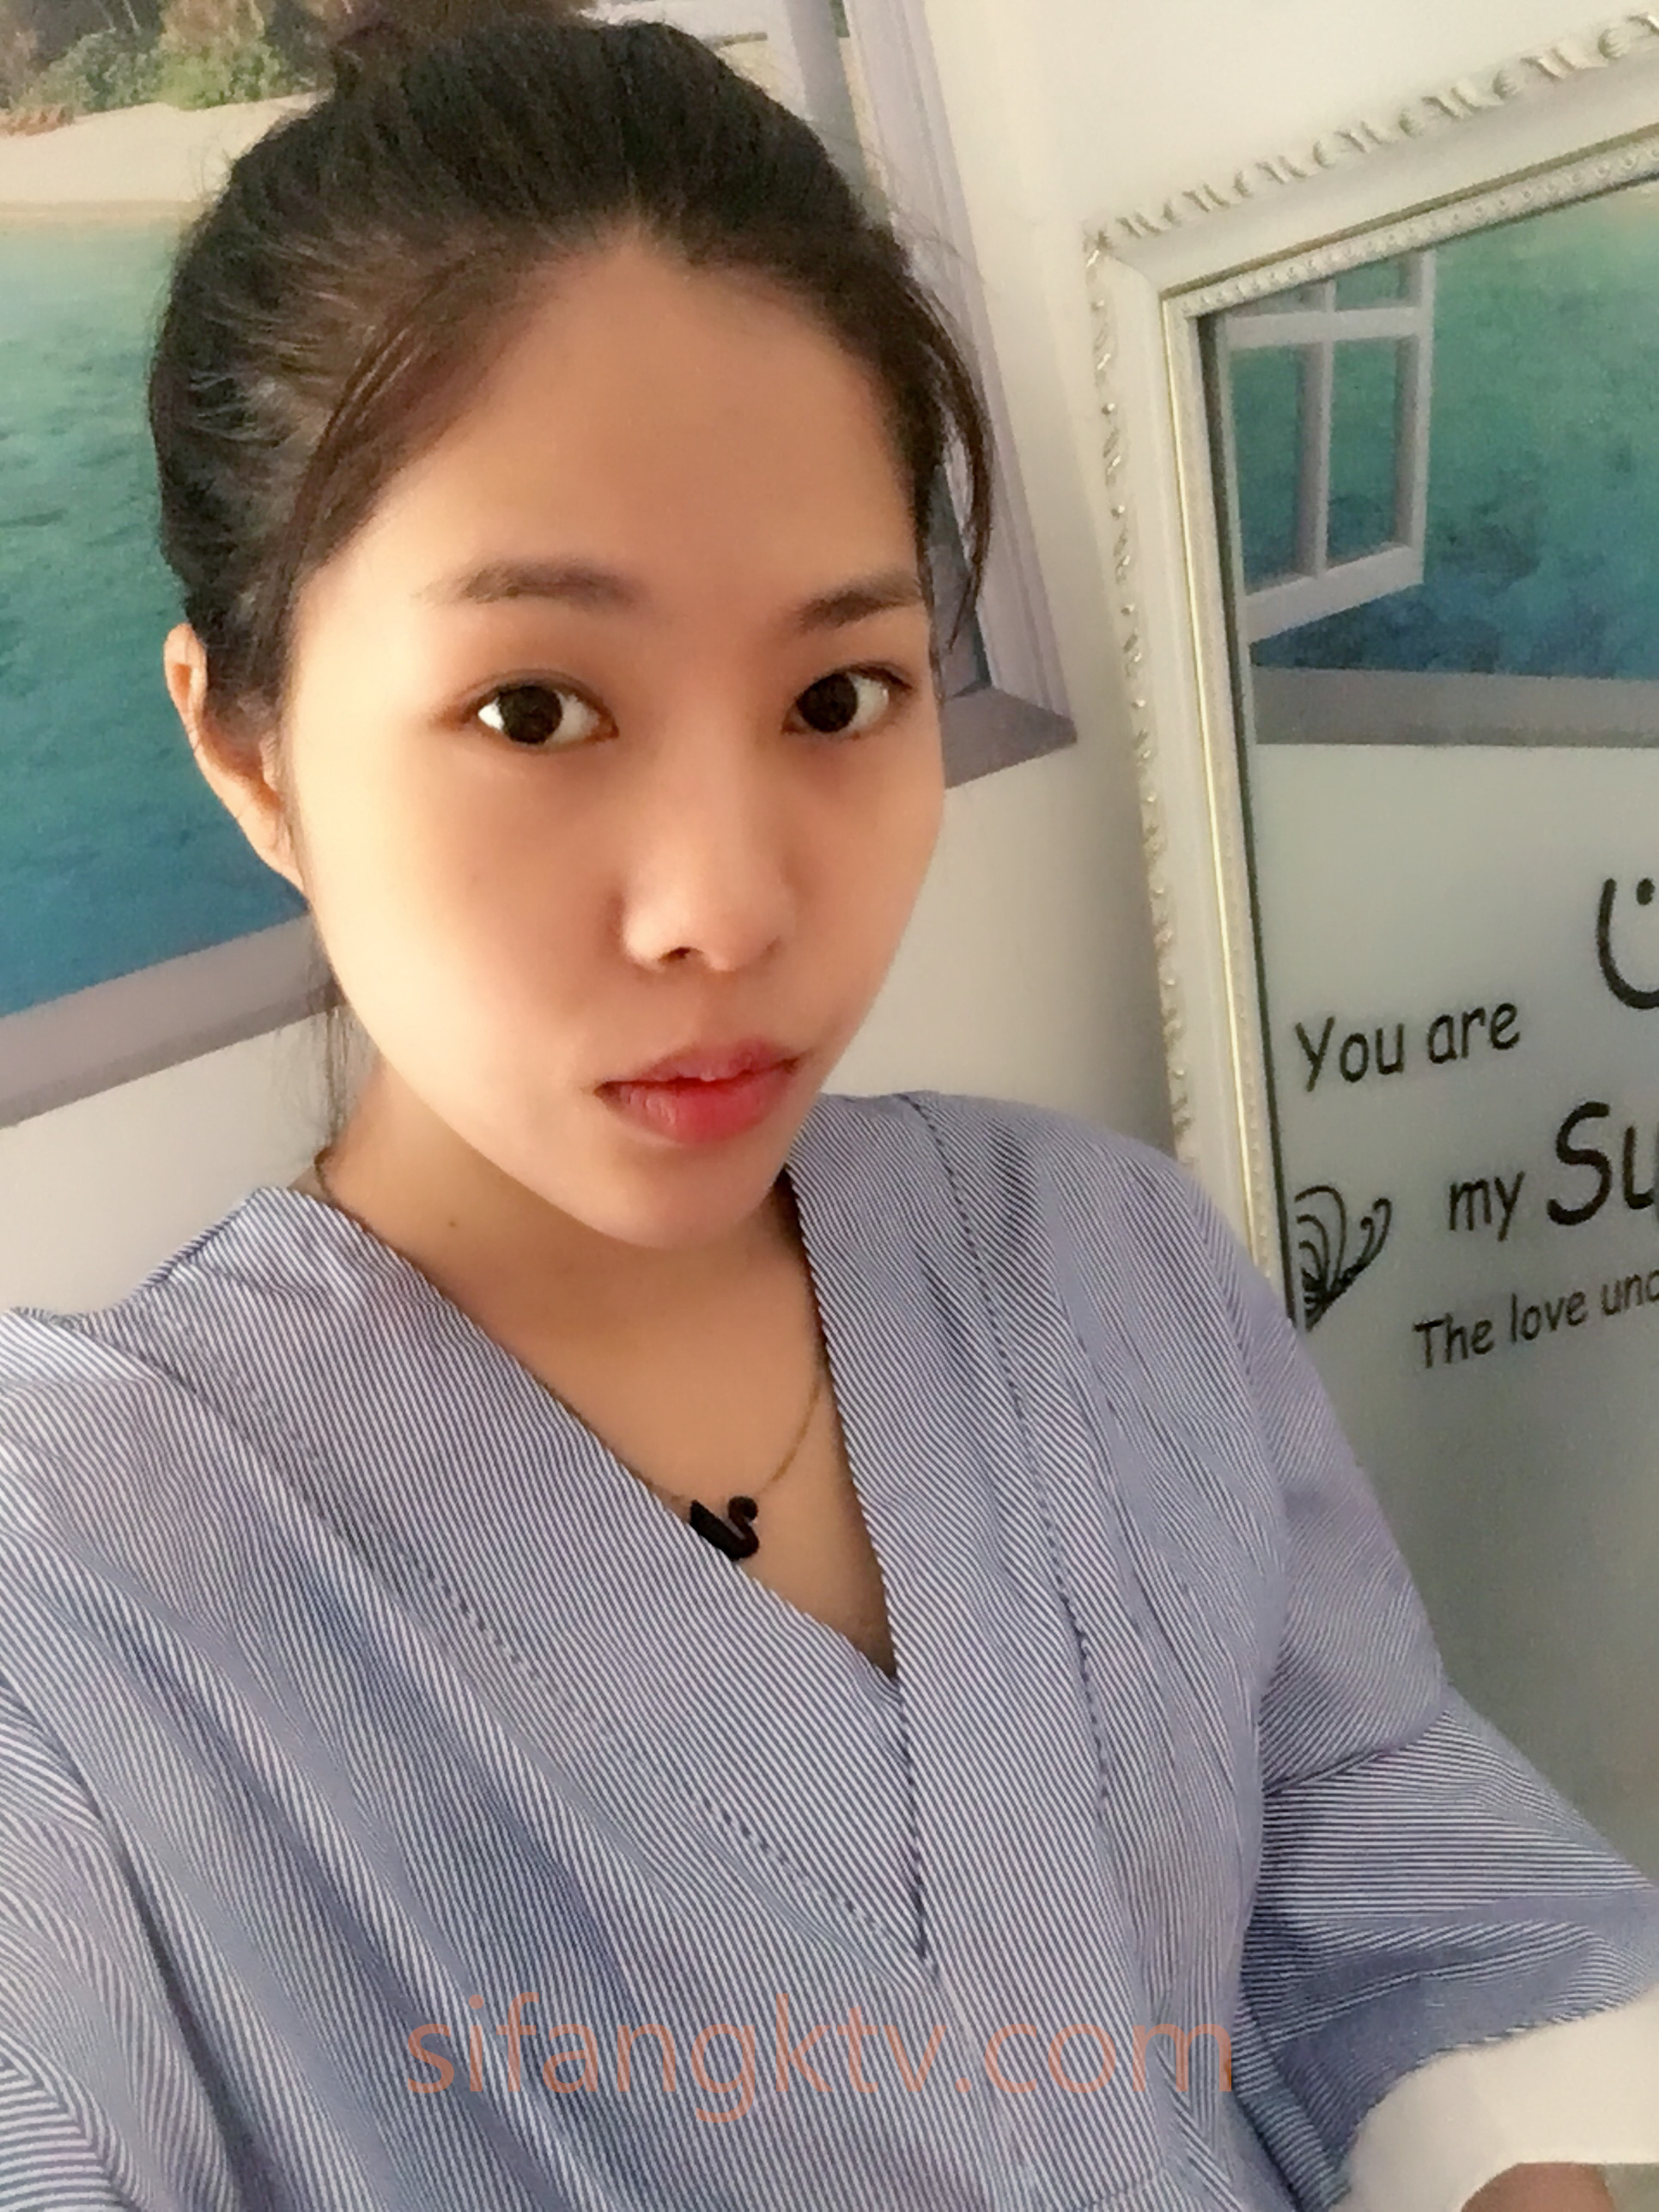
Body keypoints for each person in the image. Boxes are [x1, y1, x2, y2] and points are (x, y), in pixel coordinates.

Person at [1, 3, 1656, 2207]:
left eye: (840, 692)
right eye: (535, 706)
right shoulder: (78, 1603)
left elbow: (1409, 1899)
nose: (727, 904)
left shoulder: (1103, 1263)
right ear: (252, 747)